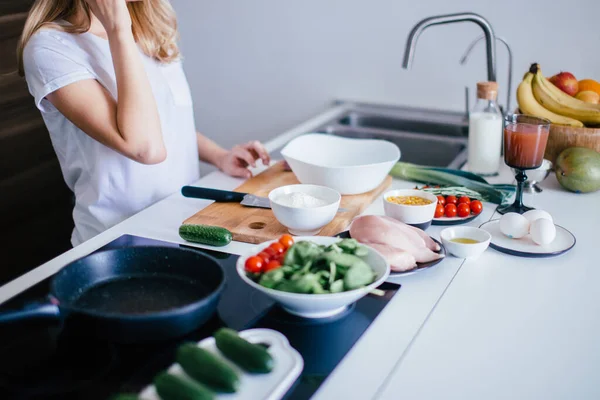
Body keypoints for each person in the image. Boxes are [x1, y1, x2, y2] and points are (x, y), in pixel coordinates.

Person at [17, 0, 270, 247]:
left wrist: (219, 155)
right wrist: (118, 28)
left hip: (183, 229)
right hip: (117, 243)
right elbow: (146, 148)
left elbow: (169, 121)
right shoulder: (50, 47)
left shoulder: (148, 28)